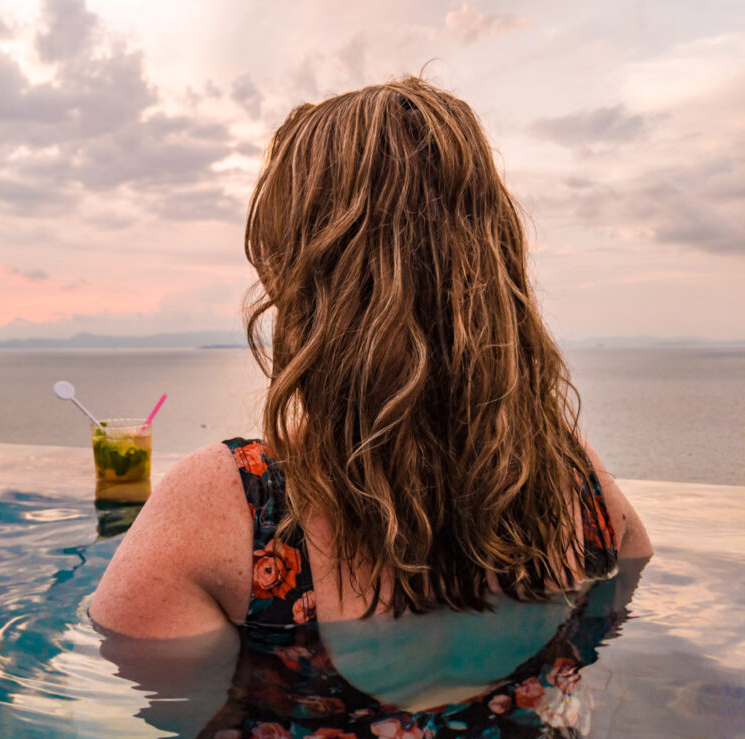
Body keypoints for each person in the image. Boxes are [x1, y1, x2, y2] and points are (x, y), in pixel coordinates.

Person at [90, 77, 652, 641]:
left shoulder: (228, 509)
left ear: (304, 278)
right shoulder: (577, 485)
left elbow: (141, 717)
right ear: (496, 260)